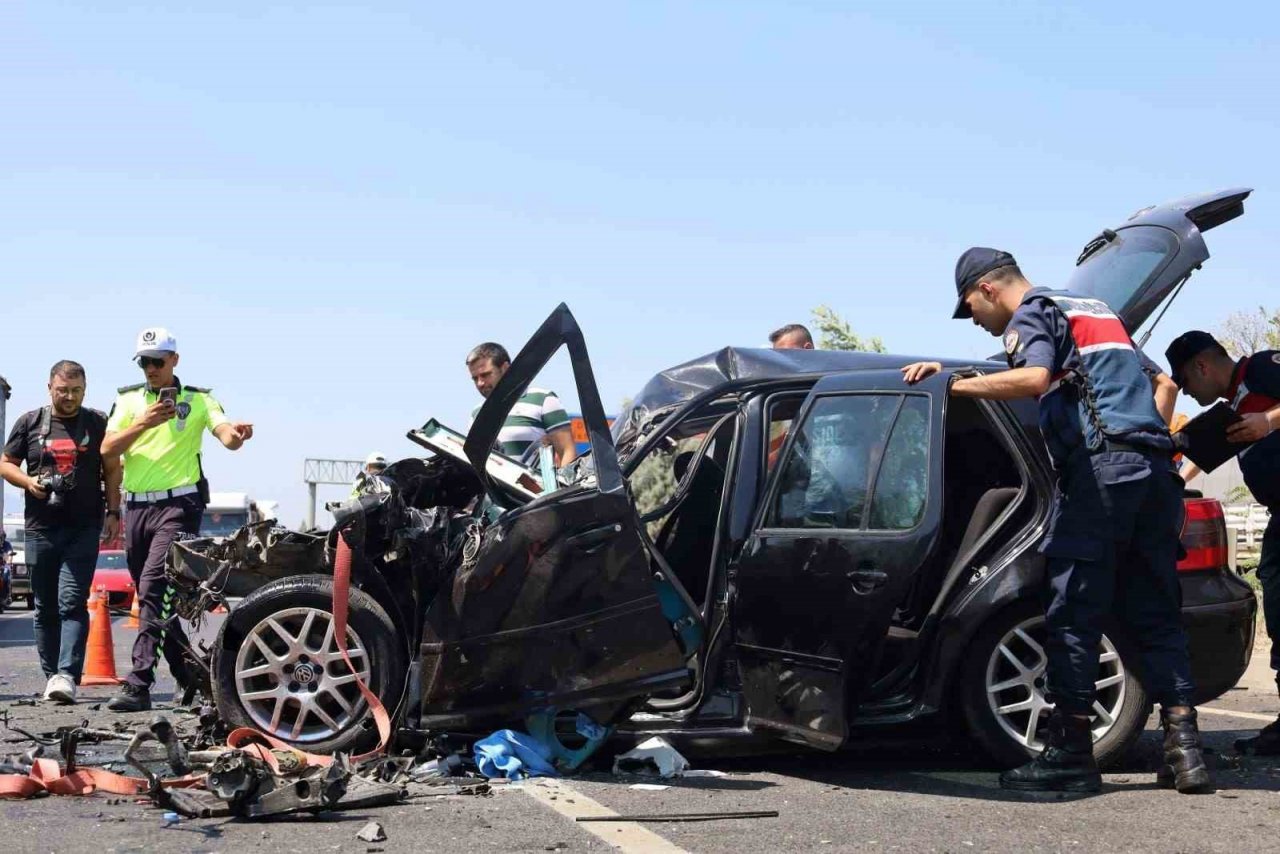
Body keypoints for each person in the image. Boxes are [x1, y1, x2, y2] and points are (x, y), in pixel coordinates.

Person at [901, 248, 1209, 794]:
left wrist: (950, 384)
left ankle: (1070, 753)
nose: (974, 319)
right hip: (1155, 480)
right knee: (1157, 613)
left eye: (970, 306)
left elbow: (1035, 378)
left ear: (988, 289)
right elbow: (1163, 387)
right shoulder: (1093, 310)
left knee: (1074, 613)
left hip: (1102, 477)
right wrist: (1150, 451)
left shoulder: (1032, 313)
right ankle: (1185, 753)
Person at [101, 328, 254, 712]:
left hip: (179, 507)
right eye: (144, 362)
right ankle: (192, 676)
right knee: (154, 599)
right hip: (136, 506)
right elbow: (106, 449)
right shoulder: (128, 400)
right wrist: (145, 423)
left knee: (153, 587)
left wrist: (237, 435)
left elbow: (226, 435)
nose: (151, 368)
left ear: (174, 361)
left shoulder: (199, 400)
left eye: (157, 361)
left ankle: (138, 685)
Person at [1165, 330, 1280, 754]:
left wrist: (1269, 420)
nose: (1189, 394)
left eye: (1187, 383)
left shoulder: (1263, 368)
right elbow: (1198, 458)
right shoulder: (1231, 408)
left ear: (1202, 366)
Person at [0, 360, 121, 704]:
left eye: (77, 391)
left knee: (72, 601)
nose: (69, 397)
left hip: (84, 526)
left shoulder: (98, 422)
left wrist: (113, 511)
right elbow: (5, 463)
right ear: (49, 387)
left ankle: (67, 674)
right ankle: (50, 674)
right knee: (44, 606)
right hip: (40, 527)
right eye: (63, 390)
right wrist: (29, 481)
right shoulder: (30, 422)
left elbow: (112, 470)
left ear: (85, 389)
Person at [465, 342, 577, 467]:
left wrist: (562, 486)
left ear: (505, 368)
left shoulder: (543, 399)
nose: (480, 383)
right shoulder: (476, 414)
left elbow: (567, 452)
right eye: (475, 378)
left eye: (485, 375)